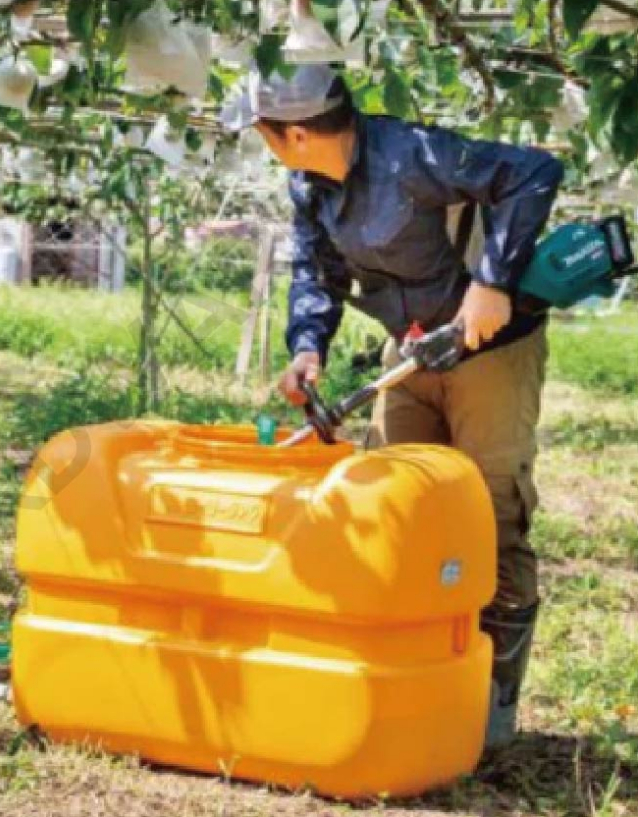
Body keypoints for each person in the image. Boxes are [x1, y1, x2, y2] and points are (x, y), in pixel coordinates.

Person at [223, 63, 564, 748]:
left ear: (295, 133)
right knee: (395, 505)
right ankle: (410, 680)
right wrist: (308, 346)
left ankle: (489, 707)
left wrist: (493, 282)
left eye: (262, 131)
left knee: (491, 511)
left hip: (489, 351)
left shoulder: (411, 154)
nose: (263, 143)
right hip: (410, 352)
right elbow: (316, 270)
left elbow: (533, 172)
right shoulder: (308, 184)